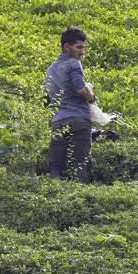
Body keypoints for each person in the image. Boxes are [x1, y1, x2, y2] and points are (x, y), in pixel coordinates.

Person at [43, 26, 96, 183]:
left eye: (83, 47)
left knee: (55, 166)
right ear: (67, 46)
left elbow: (48, 98)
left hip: (58, 122)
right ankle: (84, 198)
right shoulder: (74, 63)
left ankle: (55, 196)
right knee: (80, 164)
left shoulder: (51, 69)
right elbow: (80, 89)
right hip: (78, 119)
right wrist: (92, 98)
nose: (82, 52)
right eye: (79, 47)